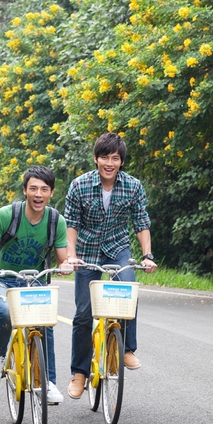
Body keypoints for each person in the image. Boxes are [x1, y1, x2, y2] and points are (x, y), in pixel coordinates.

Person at [64, 132, 157, 399]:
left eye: (115, 158)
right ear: (96, 159)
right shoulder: (79, 186)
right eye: (104, 157)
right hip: (87, 252)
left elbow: (141, 223)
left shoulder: (133, 186)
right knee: (84, 312)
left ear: (121, 162)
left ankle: (127, 349)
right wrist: (71, 255)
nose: (109, 163)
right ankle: (79, 373)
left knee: (128, 288)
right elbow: (71, 224)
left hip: (117, 249)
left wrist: (147, 255)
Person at [0, 166, 69, 404]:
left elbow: (62, 258)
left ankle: (48, 383)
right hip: (2, 280)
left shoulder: (56, 221)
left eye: (44, 190)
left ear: (51, 193)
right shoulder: (7, 215)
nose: (38, 194)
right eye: (33, 188)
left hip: (34, 281)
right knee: (6, 312)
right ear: (25, 190)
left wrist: (67, 265)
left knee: (45, 322)